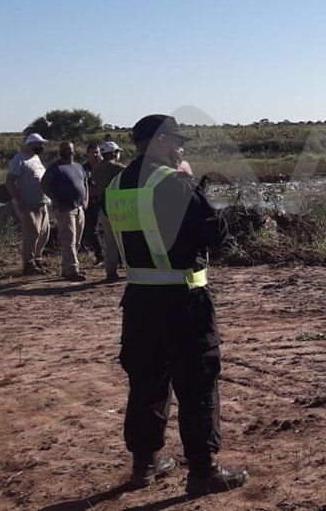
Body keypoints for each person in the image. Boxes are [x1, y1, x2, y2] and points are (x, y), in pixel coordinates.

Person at [105, 114, 247, 495]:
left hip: (138, 302)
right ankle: (203, 471)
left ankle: (145, 464)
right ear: (163, 142)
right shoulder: (176, 183)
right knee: (197, 384)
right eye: (179, 141)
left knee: (145, 383)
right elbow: (215, 234)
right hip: (183, 302)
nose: (183, 148)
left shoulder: (116, 186)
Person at [41, 141, 90, 281]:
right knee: (69, 240)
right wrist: (55, 200)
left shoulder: (78, 167)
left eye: (68, 149)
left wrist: (86, 200)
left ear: (74, 151)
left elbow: (85, 182)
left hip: (79, 208)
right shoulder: (55, 168)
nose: (66, 151)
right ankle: (72, 270)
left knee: (77, 241)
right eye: (63, 149)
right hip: (65, 208)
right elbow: (44, 184)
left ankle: (67, 267)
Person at [6, 133, 51, 274]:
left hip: (42, 202)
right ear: (31, 144)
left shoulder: (36, 158)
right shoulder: (19, 159)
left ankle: (38, 258)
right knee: (32, 232)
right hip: (28, 203)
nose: (41, 146)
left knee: (44, 232)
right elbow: (10, 182)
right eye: (39, 144)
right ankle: (28, 263)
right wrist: (19, 201)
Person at [89, 141, 127, 281]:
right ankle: (132, 269)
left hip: (104, 207)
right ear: (114, 153)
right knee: (126, 240)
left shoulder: (96, 169)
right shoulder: (119, 168)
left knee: (110, 242)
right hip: (121, 207)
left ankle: (111, 272)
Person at [80, 143, 105, 266]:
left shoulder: (105, 166)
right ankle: (100, 257)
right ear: (87, 154)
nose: (95, 155)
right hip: (91, 201)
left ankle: (118, 258)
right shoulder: (83, 169)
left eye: (97, 152)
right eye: (92, 152)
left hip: (106, 200)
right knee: (92, 229)